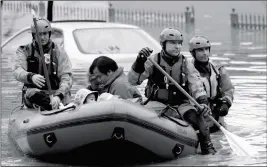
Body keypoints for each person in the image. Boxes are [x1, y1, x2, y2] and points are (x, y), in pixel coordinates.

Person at [128, 27, 216, 155]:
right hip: (157, 103)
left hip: (181, 105)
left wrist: (203, 102)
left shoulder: (186, 63)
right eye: (173, 43)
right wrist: (139, 62)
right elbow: (133, 81)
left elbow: (196, 84)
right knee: (144, 119)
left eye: (179, 43)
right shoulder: (153, 61)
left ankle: (208, 150)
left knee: (199, 120)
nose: (177, 47)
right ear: (163, 44)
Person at [12, 17, 73, 111]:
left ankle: (55, 104)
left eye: (45, 34)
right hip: (35, 94)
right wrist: (31, 76)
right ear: (34, 35)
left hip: (56, 94)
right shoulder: (24, 51)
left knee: (64, 92)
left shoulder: (59, 52)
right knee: (32, 93)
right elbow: (17, 71)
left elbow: (66, 77)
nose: (42, 37)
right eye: (39, 34)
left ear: (49, 34)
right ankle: (49, 105)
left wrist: (58, 96)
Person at [189, 36, 235, 133]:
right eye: (200, 50)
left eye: (206, 49)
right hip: (196, 116)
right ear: (193, 53)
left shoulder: (218, 70)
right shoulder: (187, 71)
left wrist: (226, 104)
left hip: (216, 117)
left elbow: (228, 90)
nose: (205, 53)